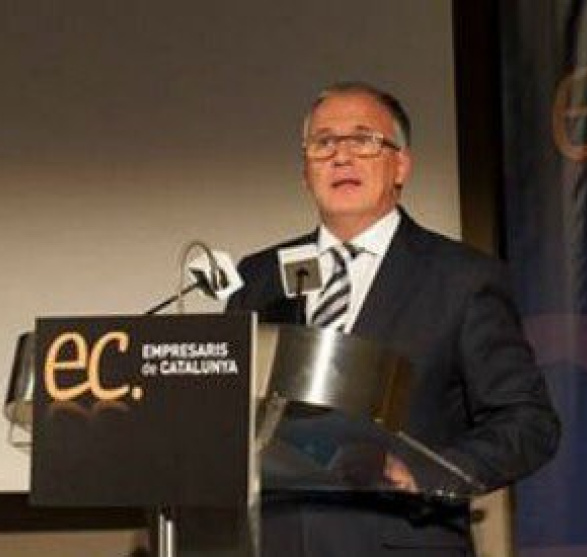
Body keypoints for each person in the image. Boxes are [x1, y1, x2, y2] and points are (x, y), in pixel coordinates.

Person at [226, 82, 560, 556]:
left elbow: (528, 421)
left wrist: (423, 474)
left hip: (401, 538)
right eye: (324, 143)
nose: (341, 156)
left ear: (401, 165)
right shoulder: (259, 277)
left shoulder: (462, 278)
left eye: (363, 140)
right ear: (305, 171)